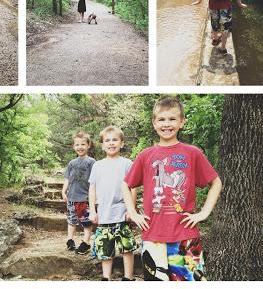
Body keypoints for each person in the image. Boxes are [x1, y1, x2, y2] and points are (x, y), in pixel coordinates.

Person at [122, 96, 222, 281]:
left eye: (172, 119)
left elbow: (216, 182)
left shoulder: (192, 153)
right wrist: (133, 213)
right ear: (154, 123)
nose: (166, 124)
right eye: (161, 119)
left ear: (182, 122)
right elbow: (126, 184)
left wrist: (203, 213)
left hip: (186, 235)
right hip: (152, 235)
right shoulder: (146, 155)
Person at [89, 126, 138, 281]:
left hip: (122, 213)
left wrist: (131, 210)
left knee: (126, 247)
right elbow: (92, 189)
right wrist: (92, 210)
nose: (111, 143)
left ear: (122, 143)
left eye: (115, 140)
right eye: (107, 140)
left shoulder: (127, 164)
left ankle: (128, 277)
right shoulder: (97, 165)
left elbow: (133, 187)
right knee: (105, 247)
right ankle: (106, 278)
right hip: (104, 214)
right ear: (102, 145)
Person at [62, 131, 95, 255]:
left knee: (86, 221)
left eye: (82, 144)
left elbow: (94, 181)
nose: (80, 147)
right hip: (72, 197)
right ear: (73, 146)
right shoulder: (71, 163)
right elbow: (67, 178)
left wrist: (94, 197)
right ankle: (70, 240)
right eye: (77, 145)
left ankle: (86, 242)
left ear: (88, 145)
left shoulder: (91, 162)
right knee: (72, 220)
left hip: (85, 198)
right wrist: (63, 191)